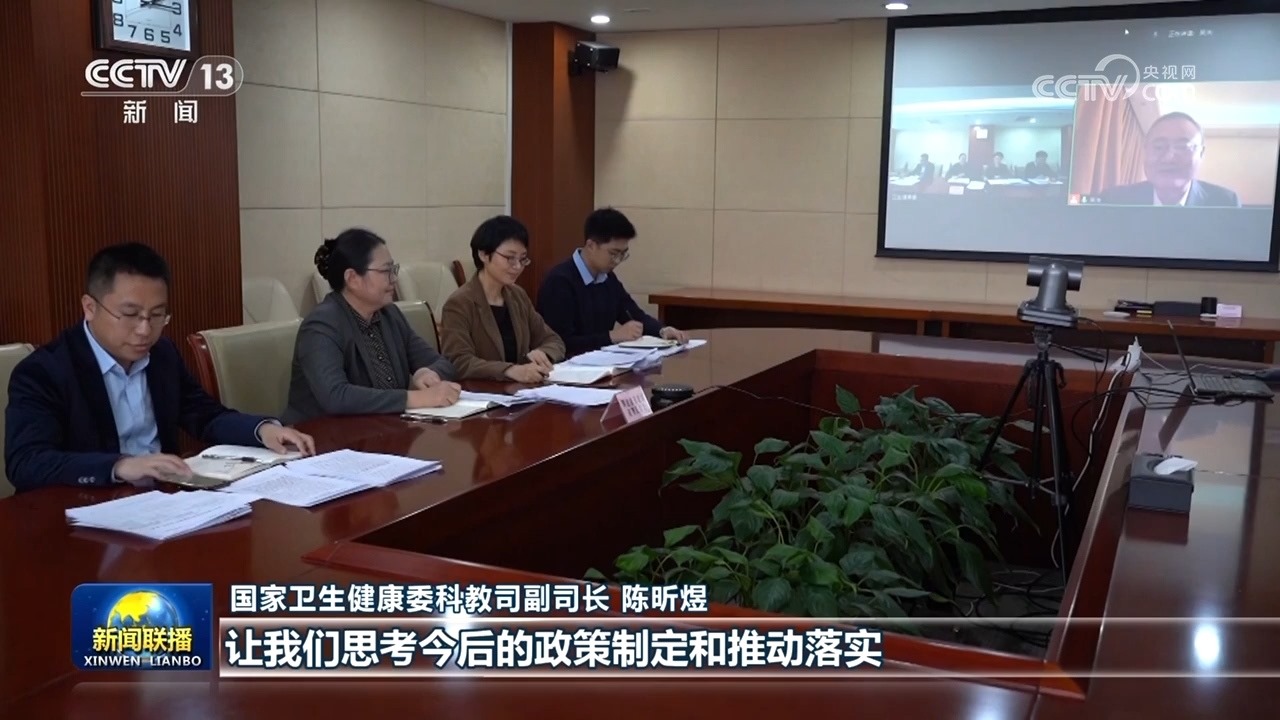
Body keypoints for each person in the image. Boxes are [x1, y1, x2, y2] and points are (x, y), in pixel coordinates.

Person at [3, 242, 315, 493]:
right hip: (84, 512)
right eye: (130, 314)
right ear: (89, 307)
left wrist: (262, 430)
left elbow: (203, 415)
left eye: (156, 316)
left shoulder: (161, 353)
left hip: (163, 500)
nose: (144, 330)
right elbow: (27, 462)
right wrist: (119, 466)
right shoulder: (45, 371)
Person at [283, 229, 460, 425]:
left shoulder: (389, 315)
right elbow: (335, 396)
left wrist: (428, 373)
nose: (394, 279)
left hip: (384, 430)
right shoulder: (321, 325)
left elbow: (442, 363)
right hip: (322, 435)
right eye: (385, 271)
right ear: (352, 278)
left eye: (393, 269)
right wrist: (415, 398)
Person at [535, 208, 689, 357]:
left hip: (600, 364)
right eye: (613, 253)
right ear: (591, 246)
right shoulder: (559, 281)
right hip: (567, 368)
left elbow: (632, 313)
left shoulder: (607, 278)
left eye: (623, 254)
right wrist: (612, 336)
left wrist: (662, 330)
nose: (618, 260)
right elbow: (561, 343)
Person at [439, 215, 565, 382]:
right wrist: (508, 370)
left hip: (521, 389)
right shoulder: (459, 303)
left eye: (522, 259)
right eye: (510, 258)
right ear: (484, 255)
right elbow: (458, 362)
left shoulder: (517, 295)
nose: (517, 266)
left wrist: (543, 353)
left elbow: (553, 340)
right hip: (483, 391)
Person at [1099, 112, 1240, 207]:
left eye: (1183, 147)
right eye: (1159, 147)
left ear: (1201, 154)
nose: (1168, 158)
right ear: (1145, 151)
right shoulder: (1114, 200)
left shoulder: (1225, 202)